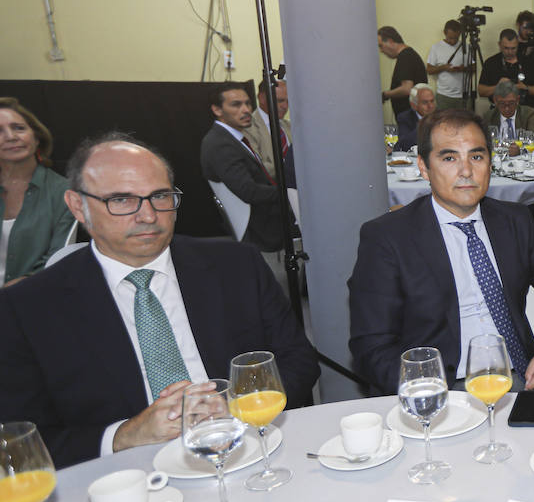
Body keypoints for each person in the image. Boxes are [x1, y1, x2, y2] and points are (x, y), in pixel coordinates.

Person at [0, 134, 318, 468]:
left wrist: (238, 405)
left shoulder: (236, 266)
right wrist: (125, 434)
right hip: (123, 476)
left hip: (245, 450)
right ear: (77, 205)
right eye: (122, 200)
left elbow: (298, 360)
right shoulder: (28, 308)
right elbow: (21, 440)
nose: (148, 215)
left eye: (160, 196)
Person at [348, 109, 534, 392]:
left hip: (519, 380)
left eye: (476, 156)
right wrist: (424, 392)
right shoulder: (388, 238)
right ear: (424, 167)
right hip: (439, 388)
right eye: (449, 158)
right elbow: (371, 345)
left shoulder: (514, 221)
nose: (466, 171)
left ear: (490, 162)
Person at [200, 84, 288, 253]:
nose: (246, 109)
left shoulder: (231, 139)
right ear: (217, 110)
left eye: (248, 103)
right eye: (236, 105)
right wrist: (288, 193)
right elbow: (249, 192)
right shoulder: (221, 144)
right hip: (262, 227)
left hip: (268, 217)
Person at [0, 98, 73, 284]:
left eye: (19, 128)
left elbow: (60, 258)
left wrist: (24, 283)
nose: (10, 136)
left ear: (36, 137)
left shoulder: (66, 193)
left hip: (33, 297)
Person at [478, 29, 534, 111]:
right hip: (499, 109)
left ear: (518, 45)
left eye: (513, 48)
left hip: (525, 110)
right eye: (506, 48)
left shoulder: (528, 61)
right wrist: (498, 87)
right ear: (499, 45)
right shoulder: (491, 63)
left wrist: (525, 88)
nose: (510, 52)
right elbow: (481, 91)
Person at [243, 75, 292, 181]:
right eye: (280, 100)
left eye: (288, 101)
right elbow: (258, 168)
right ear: (262, 98)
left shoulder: (289, 126)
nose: (285, 106)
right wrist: (292, 165)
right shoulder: (248, 128)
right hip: (273, 191)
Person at [377, 25, 427, 119]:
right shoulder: (407, 55)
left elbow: (407, 88)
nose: (381, 50)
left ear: (390, 41)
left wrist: (385, 94)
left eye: (381, 46)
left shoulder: (406, 57)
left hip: (410, 117)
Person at [425, 19, 475, 111]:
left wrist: (463, 68)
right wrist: (443, 67)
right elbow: (429, 70)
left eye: (456, 38)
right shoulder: (436, 47)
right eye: (450, 38)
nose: (453, 41)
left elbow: (474, 68)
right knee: (443, 123)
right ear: (444, 33)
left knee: (465, 123)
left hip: (464, 95)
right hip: (444, 96)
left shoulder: (466, 47)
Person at [395, 84, 436, 153]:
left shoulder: (442, 116)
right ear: (414, 105)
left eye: (432, 101)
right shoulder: (404, 118)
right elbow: (403, 144)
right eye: (425, 102)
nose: (430, 106)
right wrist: (423, 124)